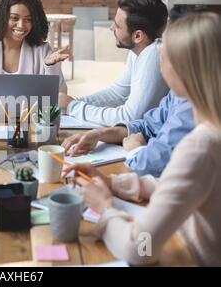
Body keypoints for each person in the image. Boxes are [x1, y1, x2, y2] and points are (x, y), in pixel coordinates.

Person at [62, 13, 221, 266]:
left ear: (182, 68)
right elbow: (180, 185)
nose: (158, 58)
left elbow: (141, 248)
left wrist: (105, 207)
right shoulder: (209, 129)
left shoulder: (200, 146)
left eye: (164, 53)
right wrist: (112, 183)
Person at [60, 0, 169, 126]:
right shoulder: (139, 49)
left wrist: (73, 107)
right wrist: (74, 102)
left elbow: (129, 117)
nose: (111, 28)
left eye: (117, 26)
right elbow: (118, 94)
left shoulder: (153, 55)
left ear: (138, 36)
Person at [61, 92, 194, 177]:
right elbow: (149, 126)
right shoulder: (177, 93)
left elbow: (150, 166)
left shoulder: (192, 105)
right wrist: (99, 133)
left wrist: (135, 149)